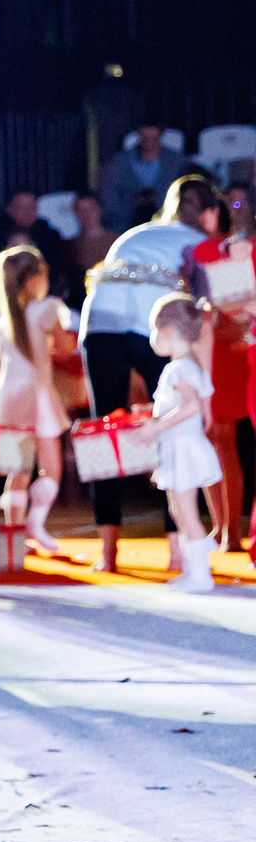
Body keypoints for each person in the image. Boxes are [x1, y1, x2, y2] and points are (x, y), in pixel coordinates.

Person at [78, 175, 222, 571]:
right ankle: (177, 550)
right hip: (154, 327)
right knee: (170, 428)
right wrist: (204, 389)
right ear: (209, 214)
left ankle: (108, 554)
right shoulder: (201, 245)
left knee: (103, 432)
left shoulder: (136, 232)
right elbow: (216, 313)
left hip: (101, 324)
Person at [0, 246, 76, 555]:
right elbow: (64, 348)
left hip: (8, 399)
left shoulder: (2, 322)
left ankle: (14, 533)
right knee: (51, 470)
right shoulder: (46, 309)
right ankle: (35, 524)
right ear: (35, 278)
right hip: (38, 396)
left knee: (18, 471)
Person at [139, 293, 223, 591]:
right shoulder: (188, 365)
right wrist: (153, 415)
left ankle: (200, 574)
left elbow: (191, 407)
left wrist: (156, 426)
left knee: (185, 512)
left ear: (169, 333)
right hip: (181, 447)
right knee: (178, 510)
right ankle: (193, 568)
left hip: (184, 448)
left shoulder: (178, 369)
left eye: (154, 330)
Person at [189, 191, 254, 550]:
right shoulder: (210, 250)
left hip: (232, 347)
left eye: (241, 203)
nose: (234, 209)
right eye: (228, 203)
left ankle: (232, 530)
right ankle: (221, 525)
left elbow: (237, 311)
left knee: (224, 440)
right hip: (209, 345)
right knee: (209, 438)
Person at [98, 124, 187, 233]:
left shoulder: (178, 163)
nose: (149, 142)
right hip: (126, 229)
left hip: (169, 227)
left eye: (153, 138)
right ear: (138, 135)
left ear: (161, 135)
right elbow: (110, 201)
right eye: (145, 138)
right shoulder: (119, 163)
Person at [0, 190, 75, 301]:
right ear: (10, 210)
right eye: (22, 207)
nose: (28, 211)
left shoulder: (51, 237)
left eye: (31, 206)